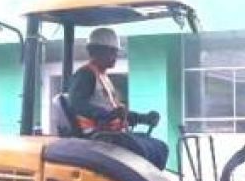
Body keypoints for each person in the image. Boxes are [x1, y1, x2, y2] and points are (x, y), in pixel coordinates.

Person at [67, 27, 169, 171]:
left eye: (116, 52)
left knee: (160, 147)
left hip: (112, 133)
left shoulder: (103, 77)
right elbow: (77, 103)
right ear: (97, 51)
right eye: (112, 52)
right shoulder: (85, 75)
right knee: (140, 150)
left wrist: (143, 118)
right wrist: (105, 115)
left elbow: (117, 112)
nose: (115, 56)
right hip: (97, 135)